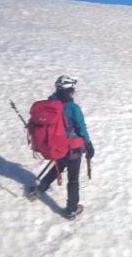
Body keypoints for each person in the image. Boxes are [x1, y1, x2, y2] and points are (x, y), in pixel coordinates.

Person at [25, 75, 94, 220]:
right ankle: (71, 209)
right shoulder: (73, 108)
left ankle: (39, 190)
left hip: (57, 146)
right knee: (73, 179)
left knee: (58, 167)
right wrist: (88, 144)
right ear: (70, 91)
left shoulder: (51, 104)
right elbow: (81, 128)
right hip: (73, 148)